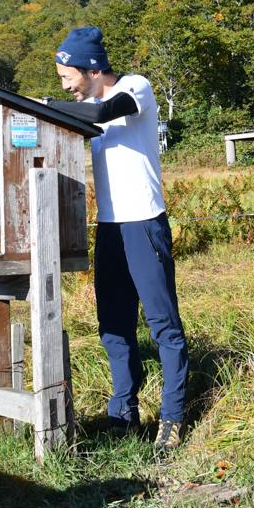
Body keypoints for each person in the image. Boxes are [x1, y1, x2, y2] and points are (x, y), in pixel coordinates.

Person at [44, 26, 189, 452]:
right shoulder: (85, 105)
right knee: (113, 326)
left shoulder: (134, 88)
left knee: (163, 324)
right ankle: (124, 414)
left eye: (66, 75)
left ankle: (173, 416)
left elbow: (104, 113)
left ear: (90, 68)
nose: (65, 85)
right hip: (108, 228)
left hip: (144, 223)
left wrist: (45, 105)